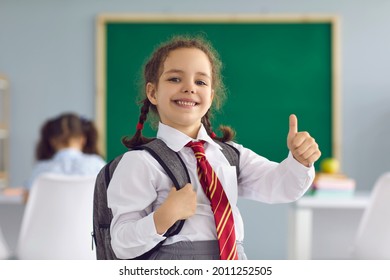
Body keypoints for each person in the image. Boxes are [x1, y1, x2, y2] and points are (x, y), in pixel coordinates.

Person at [107, 35, 321, 260]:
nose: (189, 88)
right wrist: (163, 218)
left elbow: (281, 187)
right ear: (152, 93)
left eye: (200, 82)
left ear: (210, 96)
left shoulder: (230, 155)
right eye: (175, 79)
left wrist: (299, 160)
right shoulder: (140, 163)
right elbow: (121, 244)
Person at [25, 112, 106, 189]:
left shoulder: (41, 169)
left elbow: (28, 197)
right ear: (82, 139)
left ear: (52, 141)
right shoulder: (97, 164)